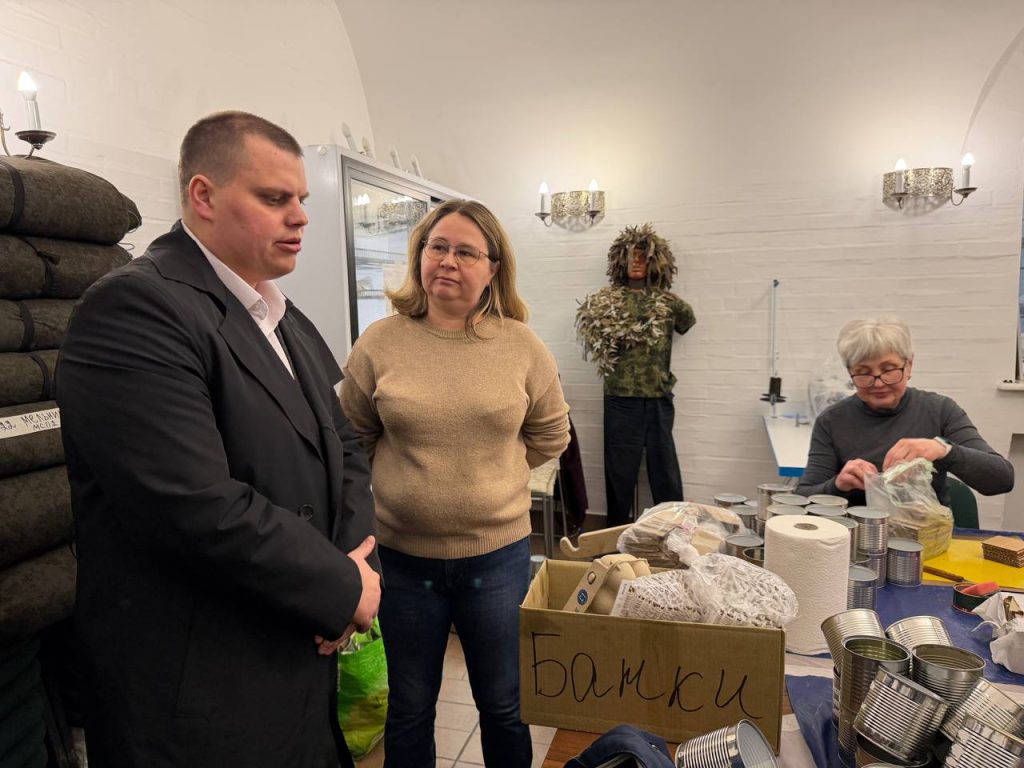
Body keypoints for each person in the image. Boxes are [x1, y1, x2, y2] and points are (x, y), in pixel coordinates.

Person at [56, 111, 381, 768]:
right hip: (203, 689)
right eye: (274, 198)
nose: (300, 217)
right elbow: (192, 502)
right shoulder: (136, 308)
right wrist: (337, 586)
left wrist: (352, 567)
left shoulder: (283, 316)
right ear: (203, 196)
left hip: (298, 657)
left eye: (301, 199)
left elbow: (343, 446)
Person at [339, 199, 570, 768]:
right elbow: (351, 437)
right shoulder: (380, 342)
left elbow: (551, 434)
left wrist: (494, 473)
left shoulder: (520, 345)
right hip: (402, 558)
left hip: (497, 559)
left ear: (493, 268)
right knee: (410, 707)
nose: (447, 260)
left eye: (466, 252)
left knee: (504, 705)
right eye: (437, 247)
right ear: (419, 255)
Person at [797, 316, 1013, 506]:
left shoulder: (940, 411)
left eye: (889, 370)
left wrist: (944, 450)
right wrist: (838, 485)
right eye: (864, 372)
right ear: (850, 372)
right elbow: (803, 496)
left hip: (926, 534)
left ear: (909, 365)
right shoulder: (833, 421)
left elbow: (1002, 479)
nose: (879, 383)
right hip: (858, 536)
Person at [575, 224, 696, 527]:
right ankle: (614, 534)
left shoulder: (669, 303)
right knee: (619, 471)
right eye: (630, 256)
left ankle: (674, 530)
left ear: (655, 261)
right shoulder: (605, 302)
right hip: (620, 397)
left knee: (664, 470)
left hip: (657, 395)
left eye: (643, 257)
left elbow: (687, 321)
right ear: (620, 261)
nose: (636, 262)